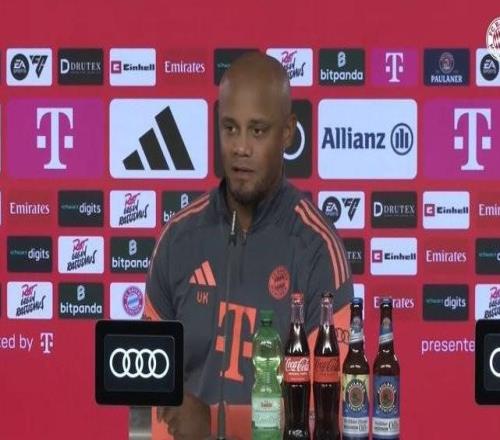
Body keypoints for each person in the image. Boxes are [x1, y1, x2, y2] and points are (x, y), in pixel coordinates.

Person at [144, 51, 354, 440]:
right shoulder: (178, 239)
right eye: (230, 128)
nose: (241, 147)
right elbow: (148, 395)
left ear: (287, 132)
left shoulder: (317, 250)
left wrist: (216, 425)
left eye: (257, 131)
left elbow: (328, 416)